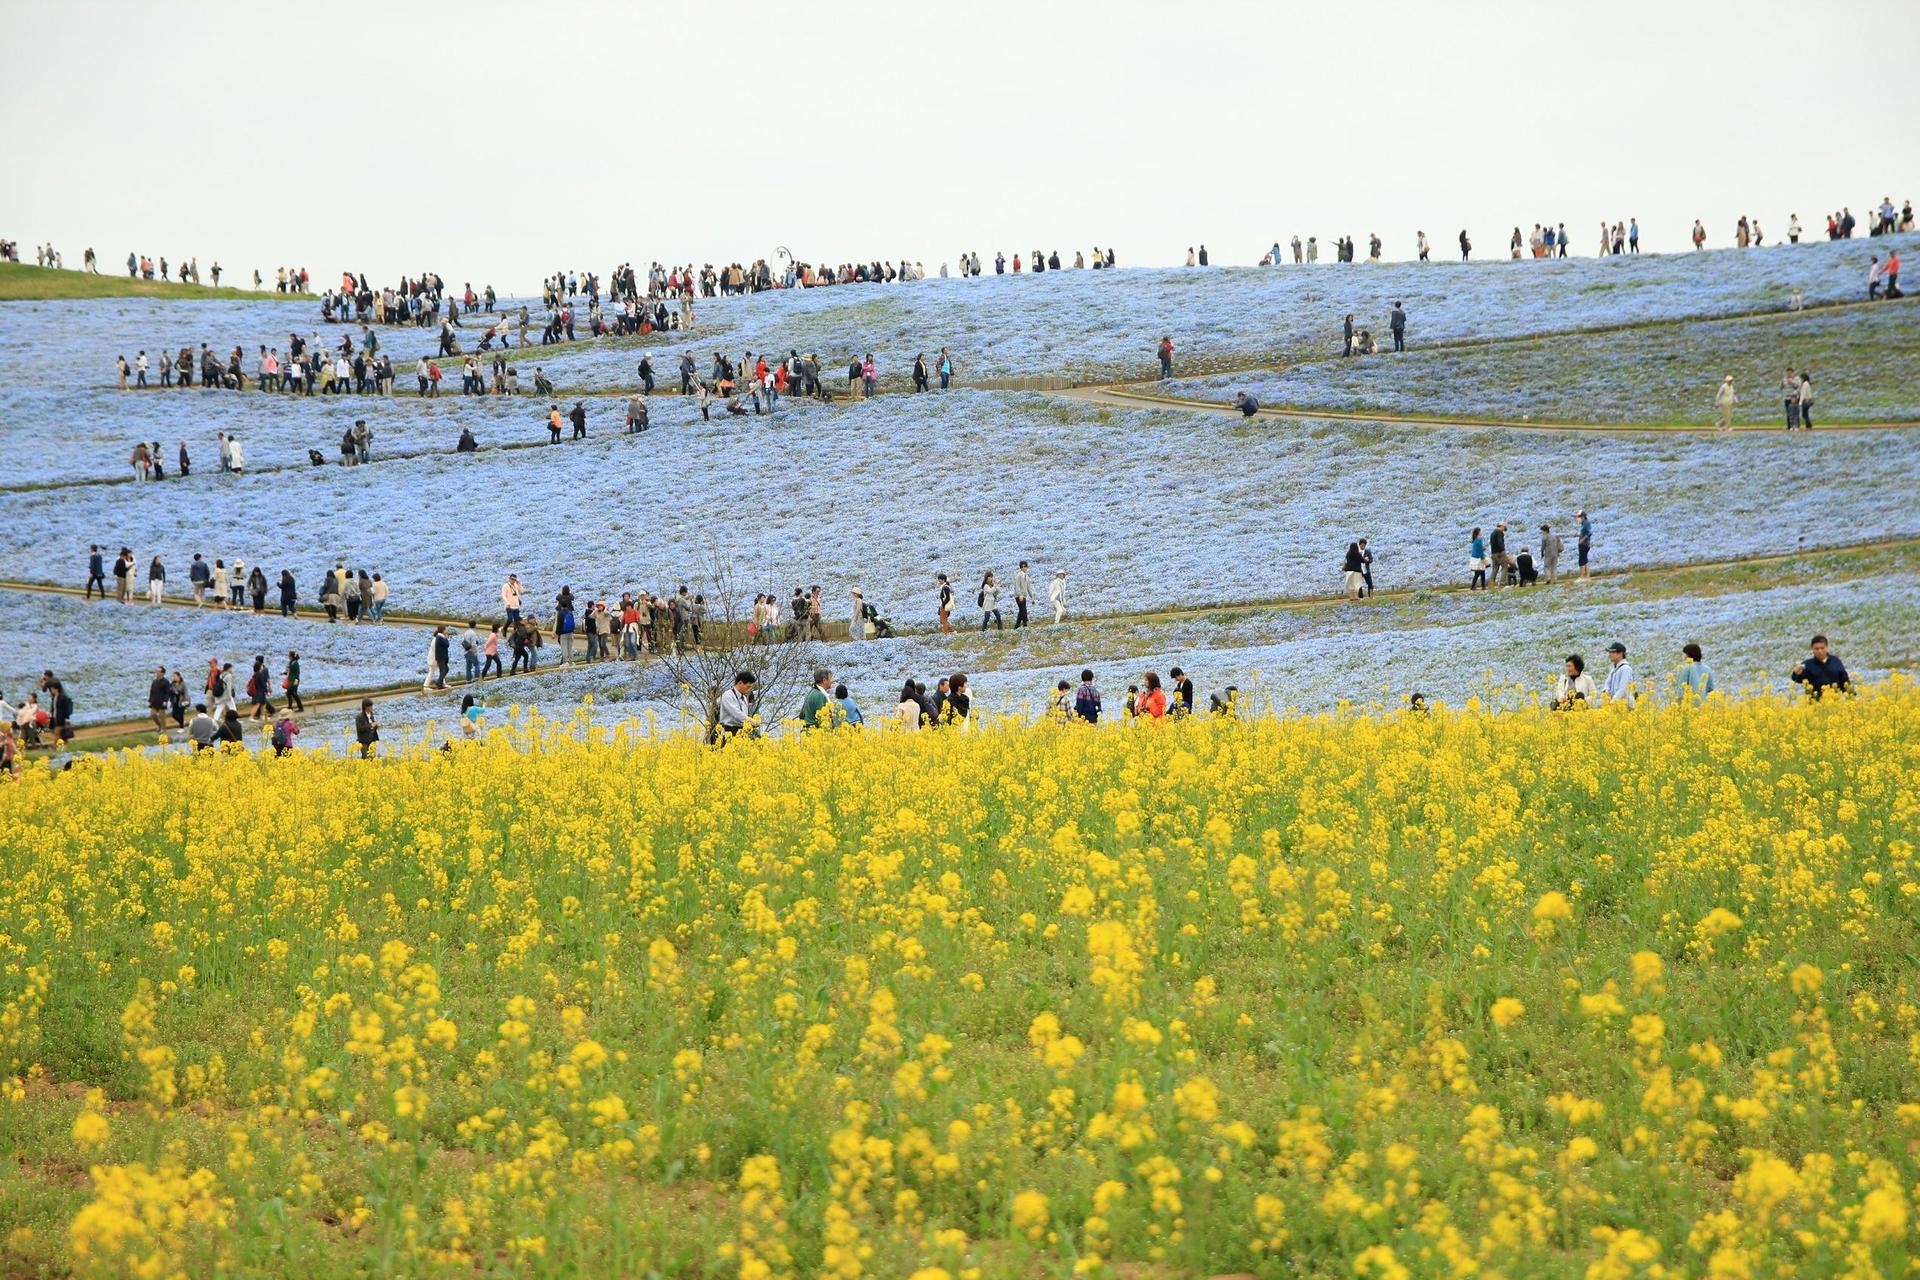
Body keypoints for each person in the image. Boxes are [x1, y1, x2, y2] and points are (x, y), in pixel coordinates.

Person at [1790, 634, 1850, 699]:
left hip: (1836, 701)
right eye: (1816, 649)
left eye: (1822, 648)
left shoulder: (1835, 661)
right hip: (1815, 703)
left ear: (1827, 647)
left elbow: (1845, 681)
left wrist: (1851, 697)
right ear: (1812, 649)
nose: (1819, 651)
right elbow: (1797, 679)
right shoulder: (1807, 664)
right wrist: (1796, 673)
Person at [717, 671, 758, 741]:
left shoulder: (744, 698)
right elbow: (736, 714)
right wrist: (751, 721)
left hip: (742, 733)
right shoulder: (728, 695)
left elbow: (744, 716)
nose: (750, 690)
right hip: (729, 732)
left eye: (751, 687)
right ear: (740, 683)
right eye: (748, 687)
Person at [1603, 642, 1635, 706]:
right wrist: (1606, 691)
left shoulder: (1625, 668)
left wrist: (1612, 702)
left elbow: (1623, 688)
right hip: (1616, 705)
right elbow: (1607, 683)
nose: (1610, 655)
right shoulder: (1614, 670)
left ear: (1620, 654)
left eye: (1612, 652)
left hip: (1624, 706)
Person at [148, 665, 172, 733]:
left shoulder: (166, 682)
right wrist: (150, 700)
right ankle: (159, 726)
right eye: (156, 671)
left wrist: (165, 701)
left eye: (158, 671)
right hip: (154, 701)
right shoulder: (154, 681)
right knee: (153, 714)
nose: (157, 673)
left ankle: (163, 729)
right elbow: (151, 691)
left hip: (162, 702)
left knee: (162, 717)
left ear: (162, 673)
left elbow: (167, 692)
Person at [1012, 561, 1032, 628]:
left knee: (1021, 610)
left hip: (1024, 595)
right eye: (1022, 567)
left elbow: (1028, 587)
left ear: (1027, 567)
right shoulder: (1018, 575)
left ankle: (1016, 626)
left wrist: (1032, 597)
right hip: (1018, 596)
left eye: (1025, 566)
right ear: (1020, 568)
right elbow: (1017, 586)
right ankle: (1025, 624)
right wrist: (1020, 595)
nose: (1024, 568)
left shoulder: (1027, 576)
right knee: (1023, 610)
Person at [1576, 510, 1593, 580]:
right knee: (1585, 560)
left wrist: (1582, 540)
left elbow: (1589, 533)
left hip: (1584, 544)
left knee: (1582, 560)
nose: (1578, 518)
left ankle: (1582, 576)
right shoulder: (1583, 524)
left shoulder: (1586, 523)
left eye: (1579, 517)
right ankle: (1587, 576)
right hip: (1583, 544)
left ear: (1583, 517)